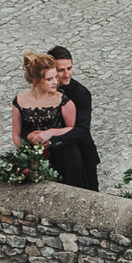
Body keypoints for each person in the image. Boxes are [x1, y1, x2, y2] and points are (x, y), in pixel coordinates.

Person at [10, 52, 92, 191]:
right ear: (35, 80)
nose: (55, 82)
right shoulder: (19, 101)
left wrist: (51, 133)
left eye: (55, 77)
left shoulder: (63, 101)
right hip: (35, 157)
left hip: (66, 157)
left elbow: (73, 128)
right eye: (49, 79)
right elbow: (16, 134)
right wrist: (25, 157)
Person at [47, 44, 101, 192]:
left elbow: (82, 130)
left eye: (69, 68)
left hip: (82, 157)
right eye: (61, 70)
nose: (67, 74)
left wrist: (52, 142)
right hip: (53, 159)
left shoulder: (81, 93)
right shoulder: (42, 91)